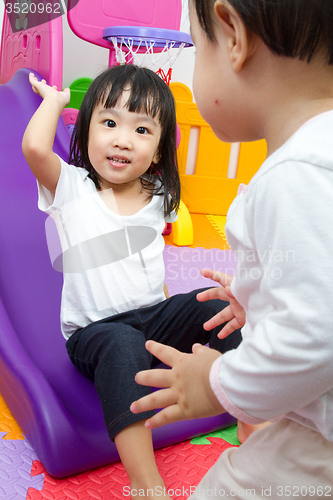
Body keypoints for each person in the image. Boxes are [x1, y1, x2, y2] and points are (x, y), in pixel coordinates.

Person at [131, 0, 333, 497]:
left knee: (227, 486)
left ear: (234, 37)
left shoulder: (297, 176)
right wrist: (262, 296)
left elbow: (318, 327)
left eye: (198, 49)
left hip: (322, 441)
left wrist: (216, 382)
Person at [22, 64, 242, 499]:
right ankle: (146, 485)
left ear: (159, 150)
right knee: (122, 343)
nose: (123, 139)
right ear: (85, 134)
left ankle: (253, 422)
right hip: (95, 332)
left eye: (142, 130)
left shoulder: (158, 196)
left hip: (149, 319)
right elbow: (33, 147)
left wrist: (169, 313)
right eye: (108, 123)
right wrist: (55, 102)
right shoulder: (73, 188)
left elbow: (147, 264)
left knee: (214, 305)